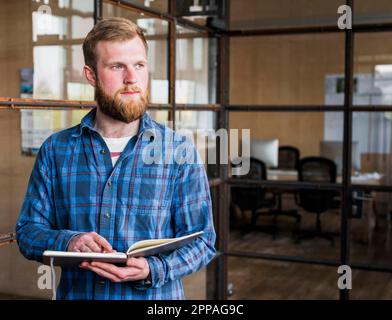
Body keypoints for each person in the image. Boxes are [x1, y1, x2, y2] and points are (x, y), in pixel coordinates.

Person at [16, 17, 216, 300]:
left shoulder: (179, 151)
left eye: (139, 65)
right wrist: (69, 241)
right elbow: (27, 233)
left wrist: (152, 268)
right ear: (91, 75)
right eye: (117, 66)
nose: (132, 78)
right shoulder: (55, 150)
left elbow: (204, 242)